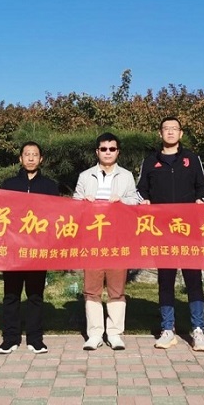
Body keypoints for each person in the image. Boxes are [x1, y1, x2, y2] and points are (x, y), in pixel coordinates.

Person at [137, 116, 204, 351]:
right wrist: (144, 200)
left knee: (193, 279)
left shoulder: (192, 159)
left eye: (174, 129)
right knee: (166, 279)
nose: (170, 132)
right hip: (162, 231)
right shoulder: (150, 161)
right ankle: (167, 329)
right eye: (166, 129)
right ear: (160, 134)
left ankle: (198, 329)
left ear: (181, 133)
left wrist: (200, 199)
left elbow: (203, 186)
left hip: (189, 229)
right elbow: (141, 189)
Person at [73, 132, 140, 350]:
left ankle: (115, 332)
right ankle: (94, 333)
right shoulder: (86, 176)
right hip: (92, 239)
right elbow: (74, 202)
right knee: (92, 288)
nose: (108, 152)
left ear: (117, 152)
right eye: (103, 149)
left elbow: (135, 201)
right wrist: (83, 201)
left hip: (117, 239)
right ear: (97, 152)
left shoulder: (126, 176)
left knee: (116, 288)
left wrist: (122, 201)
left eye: (112, 149)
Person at [0, 141, 59, 355]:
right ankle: (10, 338)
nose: (31, 158)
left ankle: (35, 338)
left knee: (35, 295)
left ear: (41, 159)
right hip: (13, 249)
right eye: (27, 154)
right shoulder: (8, 185)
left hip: (38, 250)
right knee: (11, 294)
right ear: (20, 158)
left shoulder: (50, 186)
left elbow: (56, 216)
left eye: (35, 154)